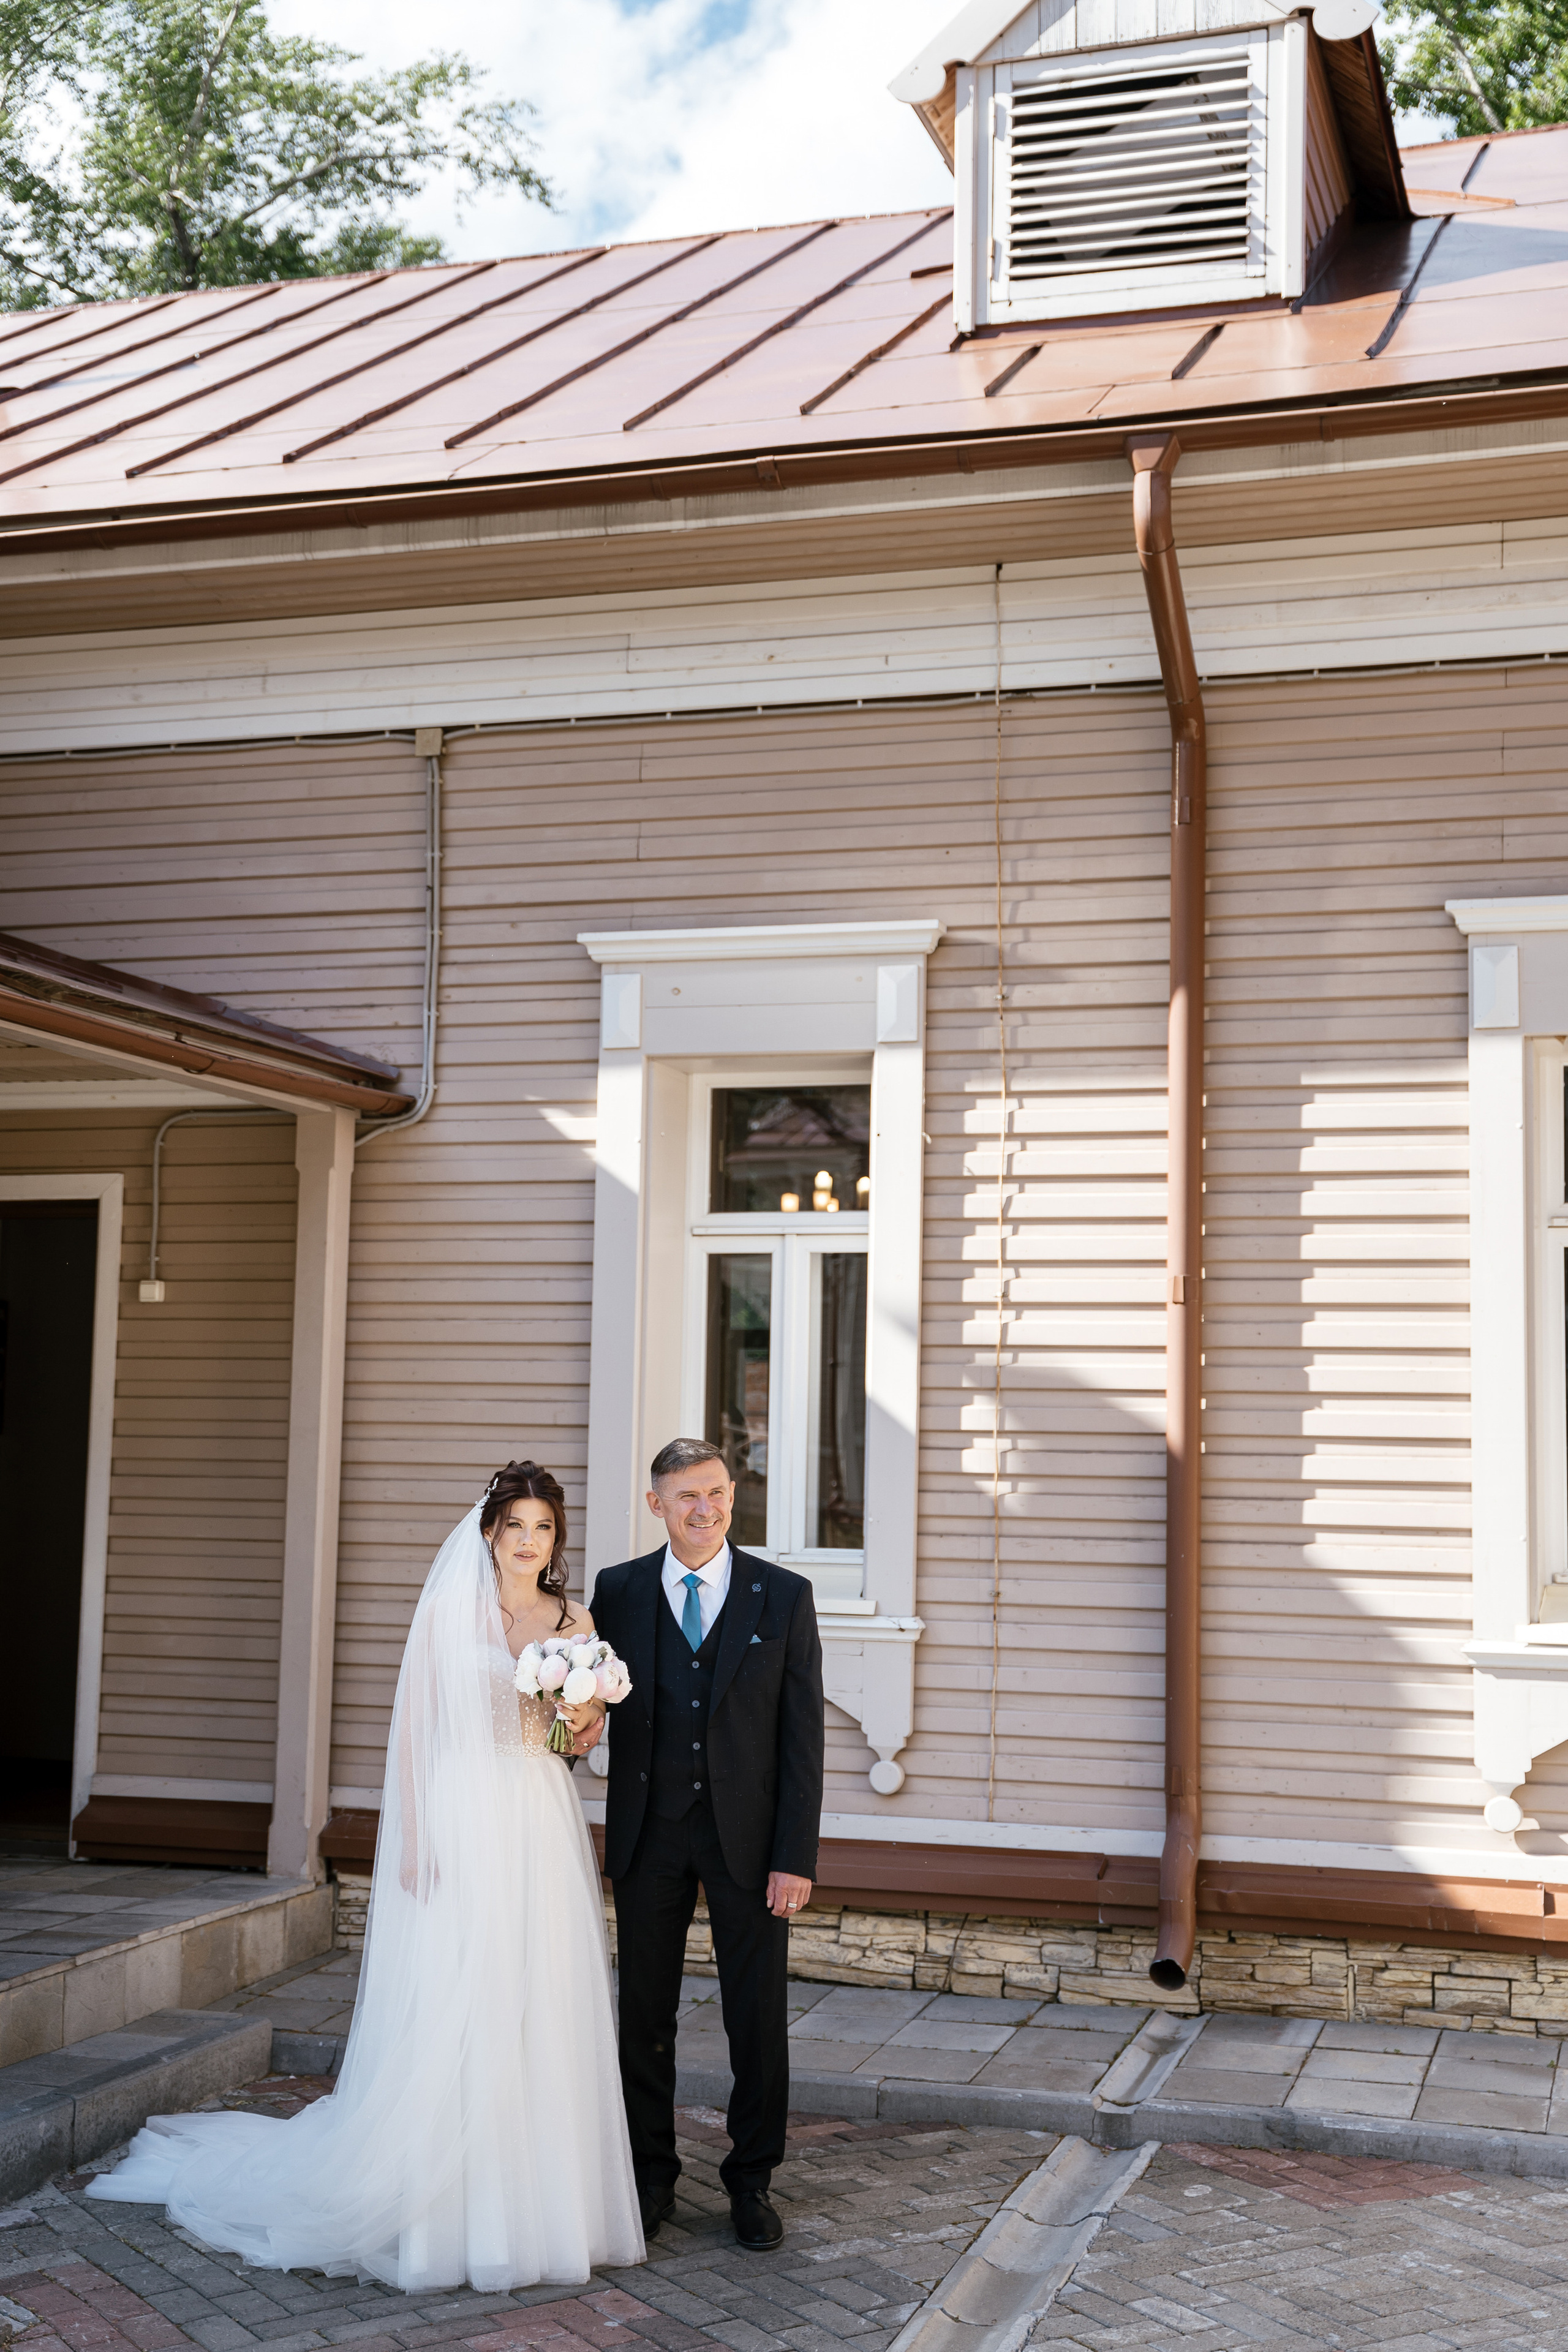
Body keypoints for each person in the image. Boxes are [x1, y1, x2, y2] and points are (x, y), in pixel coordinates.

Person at [86, 1462, 644, 2293]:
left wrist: (579, 1717)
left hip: (535, 1815)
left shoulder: (573, 1618)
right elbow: (415, 1732)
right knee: (456, 1994)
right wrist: (412, 1843)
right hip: (457, 1809)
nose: (530, 1542)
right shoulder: (448, 1610)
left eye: (545, 1529)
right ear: (490, 1532)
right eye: (517, 1526)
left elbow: (568, 1747)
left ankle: (533, 2206)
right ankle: (444, 2207)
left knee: (533, 1995)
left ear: (557, 1540)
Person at [588, 1438, 824, 2255]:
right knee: (642, 2015)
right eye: (686, 1496)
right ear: (657, 1504)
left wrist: (795, 1855)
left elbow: (802, 1741)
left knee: (754, 2017)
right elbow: (587, 1706)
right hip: (649, 1837)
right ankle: (650, 2177)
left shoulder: (783, 1596)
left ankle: (752, 2180)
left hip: (752, 1845)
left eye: (717, 1493)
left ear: (733, 1496)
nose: (705, 1509)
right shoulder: (616, 1592)